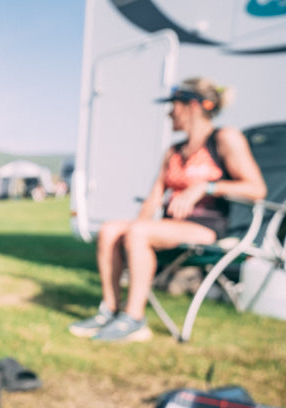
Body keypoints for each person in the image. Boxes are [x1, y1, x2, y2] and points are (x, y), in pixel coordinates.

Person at [70, 77, 267, 342]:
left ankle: (135, 319)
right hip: (169, 226)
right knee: (109, 230)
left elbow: (257, 189)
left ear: (192, 106)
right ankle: (111, 310)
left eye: (173, 105)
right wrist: (128, 236)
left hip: (207, 228)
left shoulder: (224, 138)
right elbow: (153, 199)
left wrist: (206, 187)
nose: (169, 112)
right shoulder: (173, 151)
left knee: (138, 233)